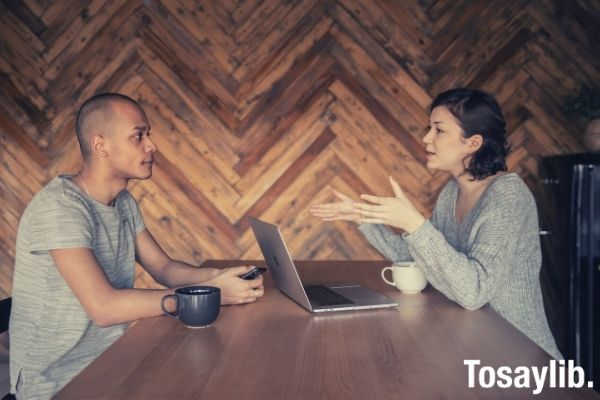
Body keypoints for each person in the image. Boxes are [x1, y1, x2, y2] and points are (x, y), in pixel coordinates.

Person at [9, 93, 265, 399]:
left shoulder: (123, 203)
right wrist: (209, 296)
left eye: (148, 135)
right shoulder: (60, 208)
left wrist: (219, 277)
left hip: (111, 363)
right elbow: (103, 308)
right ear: (100, 145)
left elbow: (165, 268)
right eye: (138, 136)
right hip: (60, 383)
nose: (151, 146)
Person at [311, 88, 562, 360]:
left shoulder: (507, 196)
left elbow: (473, 292)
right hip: (475, 344)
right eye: (429, 128)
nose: (426, 138)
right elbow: (422, 260)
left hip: (520, 358)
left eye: (438, 130)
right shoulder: (451, 193)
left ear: (473, 143)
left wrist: (415, 225)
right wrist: (365, 219)